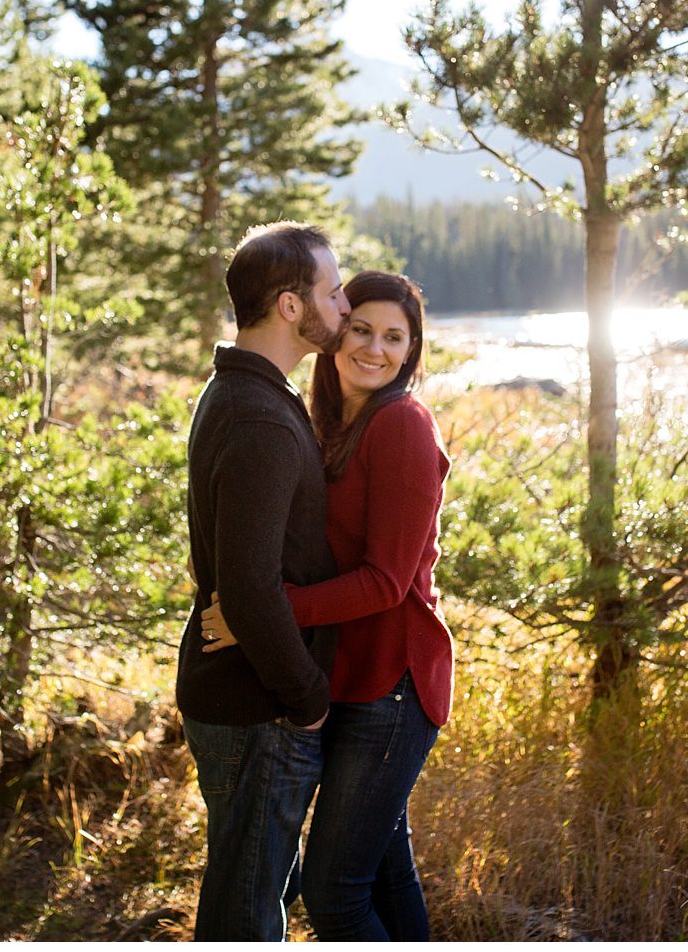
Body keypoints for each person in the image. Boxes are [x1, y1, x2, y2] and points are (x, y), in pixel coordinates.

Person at [202, 270, 454, 941]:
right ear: (336, 334)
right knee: (383, 875)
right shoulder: (326, 419)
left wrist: (268, 611)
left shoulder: (401, 421)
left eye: (394, 337)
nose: (375, 348)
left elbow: (386, 582)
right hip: (352, 677)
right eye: (362, 329)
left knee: (334, 893)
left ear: (412, 349)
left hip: (391, 686)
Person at [176, 221, 351, 942]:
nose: (342, 305)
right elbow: (249, 588)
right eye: (332, 290)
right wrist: (308, 697)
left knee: (248, 891)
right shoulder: (261, 419)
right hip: (258, 707)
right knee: (247, 913)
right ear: (289, 305)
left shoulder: (239, 393)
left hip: (242, 695)